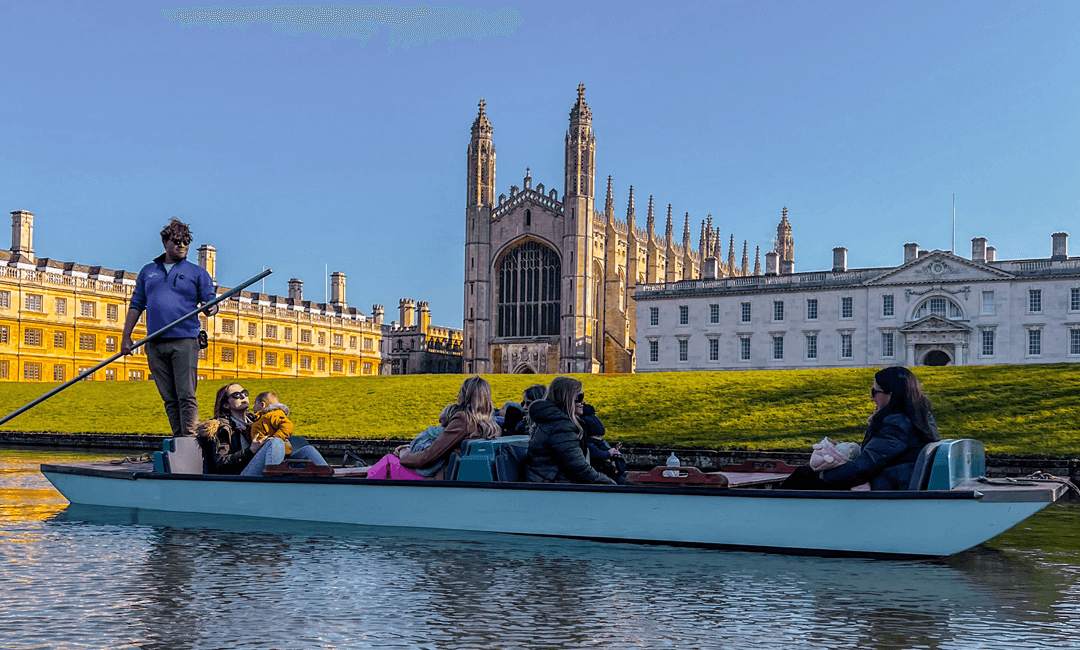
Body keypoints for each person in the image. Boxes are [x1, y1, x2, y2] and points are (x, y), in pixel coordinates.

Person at [121, 218, 217, 437]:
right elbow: (137, 304)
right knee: (169, 397)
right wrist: (126, 337)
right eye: (176, 241)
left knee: (186, 394)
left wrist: (211, 308)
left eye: (185, 242)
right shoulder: (148, 272)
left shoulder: (197, 273)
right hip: (154, 342)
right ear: (165, 243)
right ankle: (178, 438)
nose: (181, 246)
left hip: (185, 340)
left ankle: (191, 440)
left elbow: (209, 302)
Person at [779, 366, 940, 491]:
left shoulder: (897, 425)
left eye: (874, 392)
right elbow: (875, 456)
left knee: (804, 474)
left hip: (884, 487)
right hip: (893, 481)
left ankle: (773, 511)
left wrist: (822, 475)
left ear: (891, 395)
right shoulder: (918, 418)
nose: (871, 397)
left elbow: (861, 468)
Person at [197, 382, 327, 476]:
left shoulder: (258, 421)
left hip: (263, 469)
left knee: (308, 451)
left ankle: (331, 487)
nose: (243, 396)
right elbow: (220, 463)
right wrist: (250, 451)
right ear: (225, 404)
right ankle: (272, 486)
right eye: (236, 395)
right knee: (275, 442)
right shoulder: (223, 428)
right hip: (242, 478)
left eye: (244, 393)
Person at [394, 376, 501, 479]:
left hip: (442, 479)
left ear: (466, 396)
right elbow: (445, 445)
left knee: (389, 462)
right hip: (464, 476)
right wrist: (410, 447)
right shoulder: (491, 425)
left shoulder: (463, 420)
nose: (457, 396)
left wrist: (405, 455)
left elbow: (428, 457)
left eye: (459, 392)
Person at [523, 377, 617, 485]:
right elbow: (579, 470)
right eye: (579, 397)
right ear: (566, 398)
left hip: (550, 484)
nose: (583, 401)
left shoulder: (554, 423)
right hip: (553, 488)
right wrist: (612, 485)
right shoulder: (560, 428)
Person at [581, 401, 627, 485]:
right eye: (597, 437)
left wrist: (615, 453)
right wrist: (609, 453)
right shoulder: (589, 445)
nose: (600, 439)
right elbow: (597, 454)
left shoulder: (601, 444)